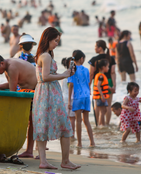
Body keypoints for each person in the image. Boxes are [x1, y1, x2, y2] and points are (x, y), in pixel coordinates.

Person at [33, 27, 80, 170]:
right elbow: (46, 77)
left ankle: (43, 161)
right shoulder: (46, 56)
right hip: (49, 93)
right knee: (65, 126)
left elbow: (47, 75)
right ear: (48, 39)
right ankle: (65, 161)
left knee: (43, 126)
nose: (57, 43)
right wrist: (64, 75)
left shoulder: (44, 55)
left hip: (44, 93)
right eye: (55, 40)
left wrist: (64, 73)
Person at [68, 50, 95, 147]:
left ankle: (79, 143)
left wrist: (69, 101)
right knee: (86, 120)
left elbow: (70, 85)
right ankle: (92, 142)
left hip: (77, 97)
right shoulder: (86, 70)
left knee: (78, 120)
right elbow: (87, 84)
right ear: (81, 58)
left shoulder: (72, 69)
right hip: (87, 96)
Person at [89, 40, 116, 126]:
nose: (95, 48)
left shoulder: (93, 60)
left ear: (100, 48)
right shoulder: (111, 58)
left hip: (98, 82)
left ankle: (98, 124)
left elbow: (91, 73)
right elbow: (112, 72)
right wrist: (114, 85)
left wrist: (88, 85)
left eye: (95, 46)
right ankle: (106, 124)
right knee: (108, 105)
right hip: (109, 82)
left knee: (97, 105)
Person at [61, 57, 75, 139]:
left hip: (64, 97)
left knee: (68, 118)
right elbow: (70, 86)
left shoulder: (64, 74)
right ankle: (72, 136)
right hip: (70, 98)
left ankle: (67, 135)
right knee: (72, 118)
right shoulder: (70, 74)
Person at [93, 59, 110, 126]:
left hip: (100, 96)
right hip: (100, 96)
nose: (108, 68)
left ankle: (101, 124)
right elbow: (98, 85)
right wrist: (102, 95)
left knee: (103, 111)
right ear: (103, 67)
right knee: (102, 111)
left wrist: (110, 88)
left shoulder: (100, 75)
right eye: (107, 66)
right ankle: (102, 125)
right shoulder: (101, 76)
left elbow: (103, 85)